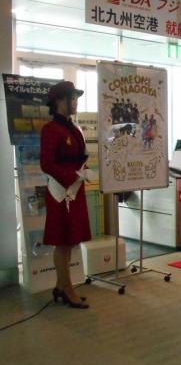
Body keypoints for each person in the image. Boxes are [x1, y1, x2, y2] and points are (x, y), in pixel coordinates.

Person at [40, 81, 91, 309]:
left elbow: (79, 156)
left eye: (76, 98)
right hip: (60, 191)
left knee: (69, 240)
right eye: (72, 98)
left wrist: (83, 171)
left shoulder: (73, 128)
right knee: (62, 241)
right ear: (59, 101)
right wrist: (71, 177)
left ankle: (61, 286)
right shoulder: (50, 129)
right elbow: (46, 163)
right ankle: (67, 288)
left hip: (74, 188)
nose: (75, 102)